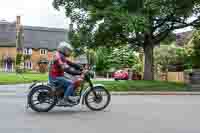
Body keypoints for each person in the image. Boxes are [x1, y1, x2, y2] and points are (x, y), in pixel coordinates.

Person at [49, 41, 82, 106]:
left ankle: (67, 95)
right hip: (55, 77)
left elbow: (69, 63)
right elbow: (66, 69)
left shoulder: (60, 55)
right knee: (72, 83)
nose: (69, 52)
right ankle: (64, 100)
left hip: (56, 75)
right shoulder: (59, 57)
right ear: (64, 49)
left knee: (71, 79)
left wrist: (79, 67)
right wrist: (78, 73)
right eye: (68, 50)